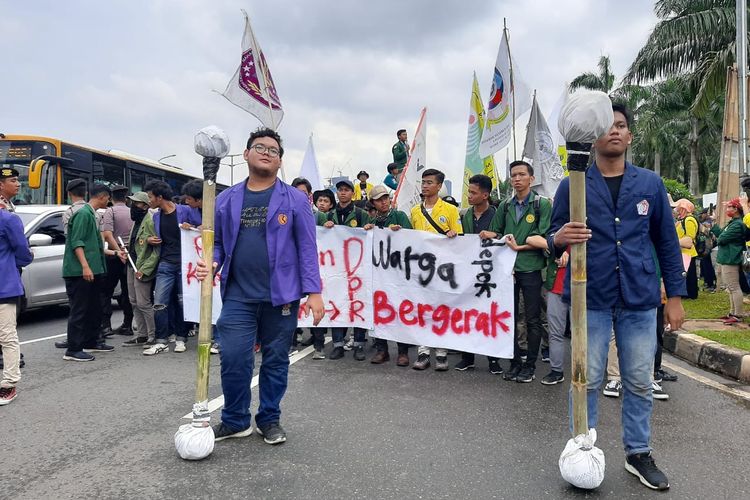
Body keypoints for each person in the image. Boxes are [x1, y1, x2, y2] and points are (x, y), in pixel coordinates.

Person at [549, 103, 685, 491]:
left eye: (621, 126)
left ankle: (638, 454)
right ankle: (583, 451)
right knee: (586, 379)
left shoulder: (650, 184)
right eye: (607, 126)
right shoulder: (572, 184)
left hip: (640, 298)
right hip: (589, 294)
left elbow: (666, 241)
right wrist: (561, 238)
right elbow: (552, 232)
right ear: (593, 137)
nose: (614, 132)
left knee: (640, 380)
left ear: (629, 136)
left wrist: (673, 295)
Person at [196, 127, 324, 444]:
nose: (267, 153)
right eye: (260, 147)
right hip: (239, 295)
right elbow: (219, 245)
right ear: (246, 155)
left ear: (280, 161)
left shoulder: (295, 200)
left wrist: (315, 291)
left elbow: (307, 248)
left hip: (281, 296)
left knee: (275, 359)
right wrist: (212, 262)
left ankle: (269, 418)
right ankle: (236, 419)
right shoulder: (225, 200)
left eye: (274, 150)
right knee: (235, 356)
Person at [479, 161, 551, 383]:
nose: (517, 179)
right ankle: (515, 363)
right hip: (507, 271)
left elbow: (544, 237)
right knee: (509, 317)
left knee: (532, 319)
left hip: (531, 268)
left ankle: (530, 365)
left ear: (531, 178)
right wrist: (485, 234)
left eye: (521, 174)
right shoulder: (506, 206)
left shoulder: (542, 205)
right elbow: (498, 231)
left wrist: (519, 247)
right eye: (513, 175)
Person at [410, 168, 462, 371]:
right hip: (420, 269)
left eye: (429, 182)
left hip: (442, 269)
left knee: (441, 309)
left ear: (439, 186)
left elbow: (460, 240)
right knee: (422, 309)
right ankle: (423, 352)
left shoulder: (450, 210)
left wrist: (453, 234)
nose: (425, 186)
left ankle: (441, 353)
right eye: (423, 182)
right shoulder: (415, 211)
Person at [142, 180, 201, 356]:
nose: (149, 200)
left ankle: (182, 338)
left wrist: (192, 227)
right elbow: (154, 237)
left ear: (160, 197)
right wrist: (149, 240)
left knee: (183, 301)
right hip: (165, 263)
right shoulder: (156, 216)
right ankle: (161, 340)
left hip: (186, 263)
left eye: (150, 196)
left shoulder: (186, 210)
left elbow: (204, 228)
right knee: (159, 302)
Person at [454, 174, 502, 374]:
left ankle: (493, 359)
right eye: (469, 192)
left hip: (492, 274)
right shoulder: (465, 215)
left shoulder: (497, 214)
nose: (469, 196)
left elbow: (507, 236)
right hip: (469, 273)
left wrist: (496, 235)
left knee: (490, 315)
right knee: (467, 314)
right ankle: (467, 357)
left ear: (485, 195)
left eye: (473, 193)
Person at [62, 184, 114, 362]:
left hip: (94, 269)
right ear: (102, 196)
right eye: (108, 197)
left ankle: (91, 341)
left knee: (94, 308)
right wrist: (85, 266)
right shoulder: (83, 213)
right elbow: (77, 242)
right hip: (79, 272)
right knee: (80, 309)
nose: (109, 201)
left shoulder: (91, 213)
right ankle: (73, 349)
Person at [362, 185, 413, 366]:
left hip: (398, 273)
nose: (384, 202)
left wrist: (401, 232)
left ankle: (403, 351)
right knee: (378, 312)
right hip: (378, 275)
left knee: (400, 310)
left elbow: (413, 240)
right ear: (373, 203)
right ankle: (381, 350)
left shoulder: (399, 216)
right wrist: (366, 231)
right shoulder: (372, 221)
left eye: (385, 198)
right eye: (379, 199)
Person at [321, 179, 369, 360]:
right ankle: (338, 344)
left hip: (357, 267)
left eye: (346, 190)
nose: (343, 193)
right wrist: (325, 229)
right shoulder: (329, 215)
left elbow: (370, 235)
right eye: (340, 190)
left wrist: (368, 229)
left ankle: (359, 345)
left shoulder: (361, 213)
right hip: (336, 267)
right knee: (337, 303)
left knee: (358, 304)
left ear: (352, 193)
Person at [0, 205, 33, 404]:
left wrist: (12, 265)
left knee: (6, 335)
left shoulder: (8, 219)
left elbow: (23, 252)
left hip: (4, 285)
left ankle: (9, 384)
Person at [121, 192, 159, 347]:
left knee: (143, 302)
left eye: (136, 203)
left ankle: (152, 335)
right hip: (132, 264)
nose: (132, 206)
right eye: (132, 203)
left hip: (142, 267)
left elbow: (156, 250)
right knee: (134, 301)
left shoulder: (150, 220)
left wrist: (145, 269)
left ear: (145, 205)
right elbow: (138, 243)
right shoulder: (137, 221)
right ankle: (142, 335)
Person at [99, 185, 134, 337]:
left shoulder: (110, 211)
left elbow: (107, 234)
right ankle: (128, 325)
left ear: (111, 198)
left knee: (106, 291)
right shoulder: (133, 211)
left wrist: (118, 251)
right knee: (127, 291)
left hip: (114, 255)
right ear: (126, 198)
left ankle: (106, 326)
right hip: (130, 256)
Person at [716, 198, 746, 324]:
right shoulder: (733, 223)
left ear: (736, 209)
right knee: (730, 287)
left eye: (730, 207)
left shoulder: (737, 224)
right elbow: (721, 234)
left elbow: (721, 239)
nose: (727, 210)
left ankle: (738, 314)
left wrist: (720, 236)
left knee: (734, 287)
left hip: (731, 258)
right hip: (726, 258)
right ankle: (732, 312)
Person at [541, 250, 568, 385]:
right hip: (555, 286)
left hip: (581, 287)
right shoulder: (555, 231)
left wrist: (573, 256)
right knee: (555, 332)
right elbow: (545, 243)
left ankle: (583, 371)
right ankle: (556, 371)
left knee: (582, 334)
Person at [673, 198, 699, 299]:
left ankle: (691, 293)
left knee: (690, 275)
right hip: (683, 251)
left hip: (688, 251)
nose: (677, 210)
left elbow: (690, 236)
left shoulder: (689, 220)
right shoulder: (683, 220)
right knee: (687, 274)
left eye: (679, 208)